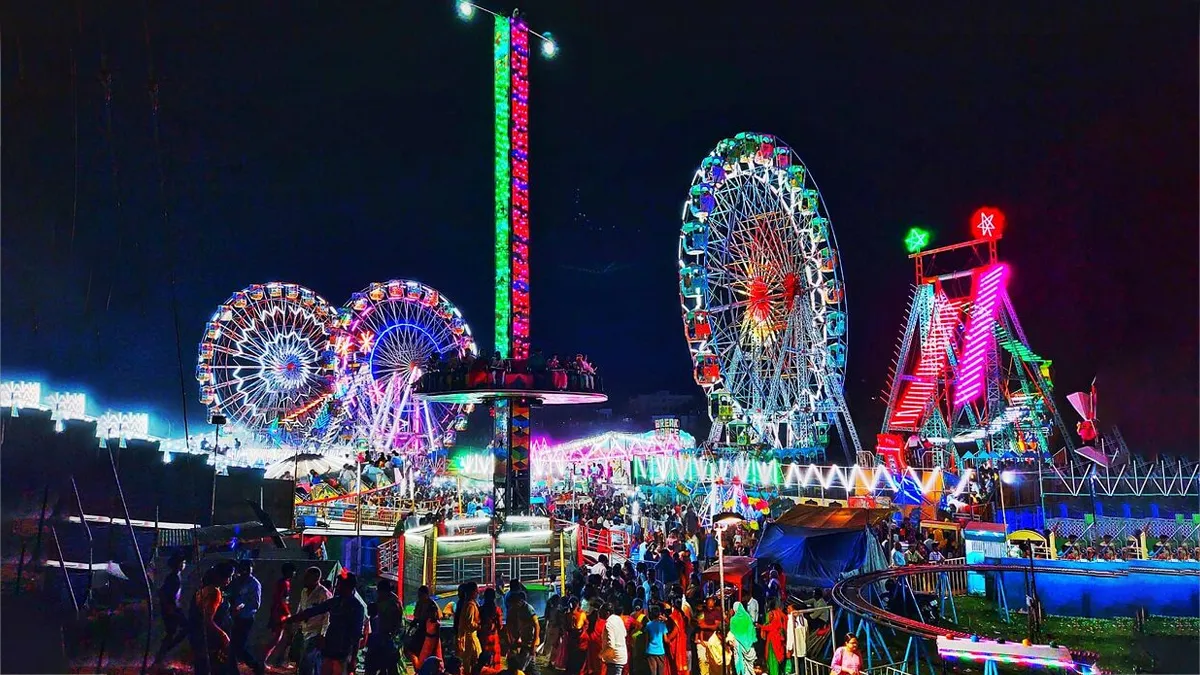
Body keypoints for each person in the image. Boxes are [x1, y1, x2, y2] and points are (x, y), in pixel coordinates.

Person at [285, 572, 367, 675]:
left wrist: (353, 659)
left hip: (344, 652)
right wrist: (291, 619)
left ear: (347, 586)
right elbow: (313, 611)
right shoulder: (335, 602)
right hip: (330, 648)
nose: (336, 587)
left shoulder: (356, 607)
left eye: (339, 584)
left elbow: (356, 635)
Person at [188, 562, 235, 675]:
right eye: (229, 576)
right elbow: (208, 620)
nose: (230, 580)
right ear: (221, 577)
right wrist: (223, 636)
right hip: (213, 640)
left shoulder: (204, 589)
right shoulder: (214, 593)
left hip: (203, 638)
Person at [227, 560, 265, 675]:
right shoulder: (236, 581)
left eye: (248, 568)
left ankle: (256, 666)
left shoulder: (254, 584)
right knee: (231, 646)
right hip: (233, 617)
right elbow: (230, 595)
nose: (245, 571)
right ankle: (233, 670)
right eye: (243, 568)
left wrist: (241, 607)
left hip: (245, 618)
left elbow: (256, 604)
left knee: (239, 646)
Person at [153, 555, 188, 667]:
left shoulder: (175, 576)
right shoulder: (173, 578)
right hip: (172, 608)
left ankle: (162, 654)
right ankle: (162, 654)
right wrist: (169, 608)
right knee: (179, 630)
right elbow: (164, 593)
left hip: (174, 608)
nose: (184, 565)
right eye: (182, 562)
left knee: (174, 632)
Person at [264, 562, 297, 670]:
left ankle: (280, 660)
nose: (294, 573)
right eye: (293, 571)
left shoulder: (285, 582)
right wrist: (287, 613)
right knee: (277, 639)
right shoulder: (283, 583)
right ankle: (264, 660)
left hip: (281, 614)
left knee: (285, 638)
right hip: (281, 615)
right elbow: (280, 600)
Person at [407, 586, 441, 665]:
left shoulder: (432, 605)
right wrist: (410, 628)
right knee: (413, 650)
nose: (419, 597)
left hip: (429, 633)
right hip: (421, 630)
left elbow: (435, 622)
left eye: (421, 595)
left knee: (428, 653)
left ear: (426, 595)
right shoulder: (419, 603)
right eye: (419, 595)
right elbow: (416, 618)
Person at [454, 582, 482, 675]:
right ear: (472, 592)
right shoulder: (470, 605)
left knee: (468, 660)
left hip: (467, 636)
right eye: (476, 591)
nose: (478, 593)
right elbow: (469, 624)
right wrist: (479, 626)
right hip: (470, 637)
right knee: (474, 659)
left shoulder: (467, 603)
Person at [694, 596, 724, 675]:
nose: (710, 607)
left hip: (714, 642)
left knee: (713, 661)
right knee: (703, 660)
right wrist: (701, 640)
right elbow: (700, 626)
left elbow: (716, 627)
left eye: (712, 605)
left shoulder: (717, 613)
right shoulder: (702, 612)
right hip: (703, 640)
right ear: (706, 604)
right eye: (709, 605)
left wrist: (705, 626)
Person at [725, 602, 756, 675]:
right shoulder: (747, 617)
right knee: (749, 666)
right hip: (748, 645)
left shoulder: (733, 619)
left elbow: (731, 631)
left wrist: (729, 616)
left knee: (740, 663)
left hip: (738, 645)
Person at [598, 602, 629, 675]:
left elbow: (611, 645)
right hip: (621, 657)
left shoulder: (609, 624)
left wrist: (602, 655)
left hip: (614, 659)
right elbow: (625, 634)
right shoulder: (618, 619)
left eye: (601, 612)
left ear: (607, 613)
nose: (599, 614)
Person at [478, 588, 504, 665]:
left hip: (483, 636)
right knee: (494, 660)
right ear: (494, 598)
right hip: (493, 637)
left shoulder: (480, 609)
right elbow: (500, 626)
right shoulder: (497, 610)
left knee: (484, 659)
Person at [760, 602, 787, 675]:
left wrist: (761, 626)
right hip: (780, 639)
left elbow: (770, 626)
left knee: (773, 658)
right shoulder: (781, 614)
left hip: (772, 640)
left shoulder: (771, 614)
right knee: (780, 657)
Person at [643, 605, 669, 675]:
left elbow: (647, 640)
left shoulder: (648, 625)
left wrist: (646, 650)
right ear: (659, 614)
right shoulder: (663, 625)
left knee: (652, 672)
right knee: (661, 672)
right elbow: (666, 640)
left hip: (650, 651)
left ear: (651, 614)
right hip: (660, 651)